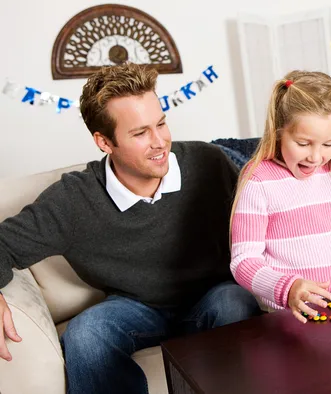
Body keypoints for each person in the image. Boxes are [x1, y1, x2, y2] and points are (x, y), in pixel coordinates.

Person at [0, 62, 261, 394]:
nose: (159, 142)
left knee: (234, 301)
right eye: (140, 133)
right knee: (85, 334)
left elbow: (266, 217)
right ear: (104, 141)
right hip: (136, 308)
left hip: (212, 299)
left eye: (161, 124)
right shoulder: (72, 199)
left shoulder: (208, 162)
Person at [229, 70, 331, 323]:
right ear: (279, 132)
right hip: (289, 316)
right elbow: (244, 261)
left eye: (328, 144)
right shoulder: (259, 181)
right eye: (303, 144)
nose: (316, 157)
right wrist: (287, 288)